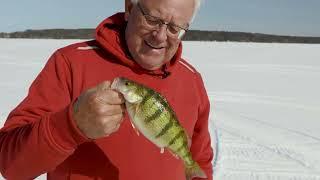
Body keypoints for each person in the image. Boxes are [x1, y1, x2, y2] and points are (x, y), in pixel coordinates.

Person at [0, 0, 213, 179]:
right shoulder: (70, 63)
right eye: (152, 19)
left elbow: (200, 160)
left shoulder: (192, 80)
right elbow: (10, 165)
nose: (160, 36)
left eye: (175, 28)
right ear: (130, 8)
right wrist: (70, 125)